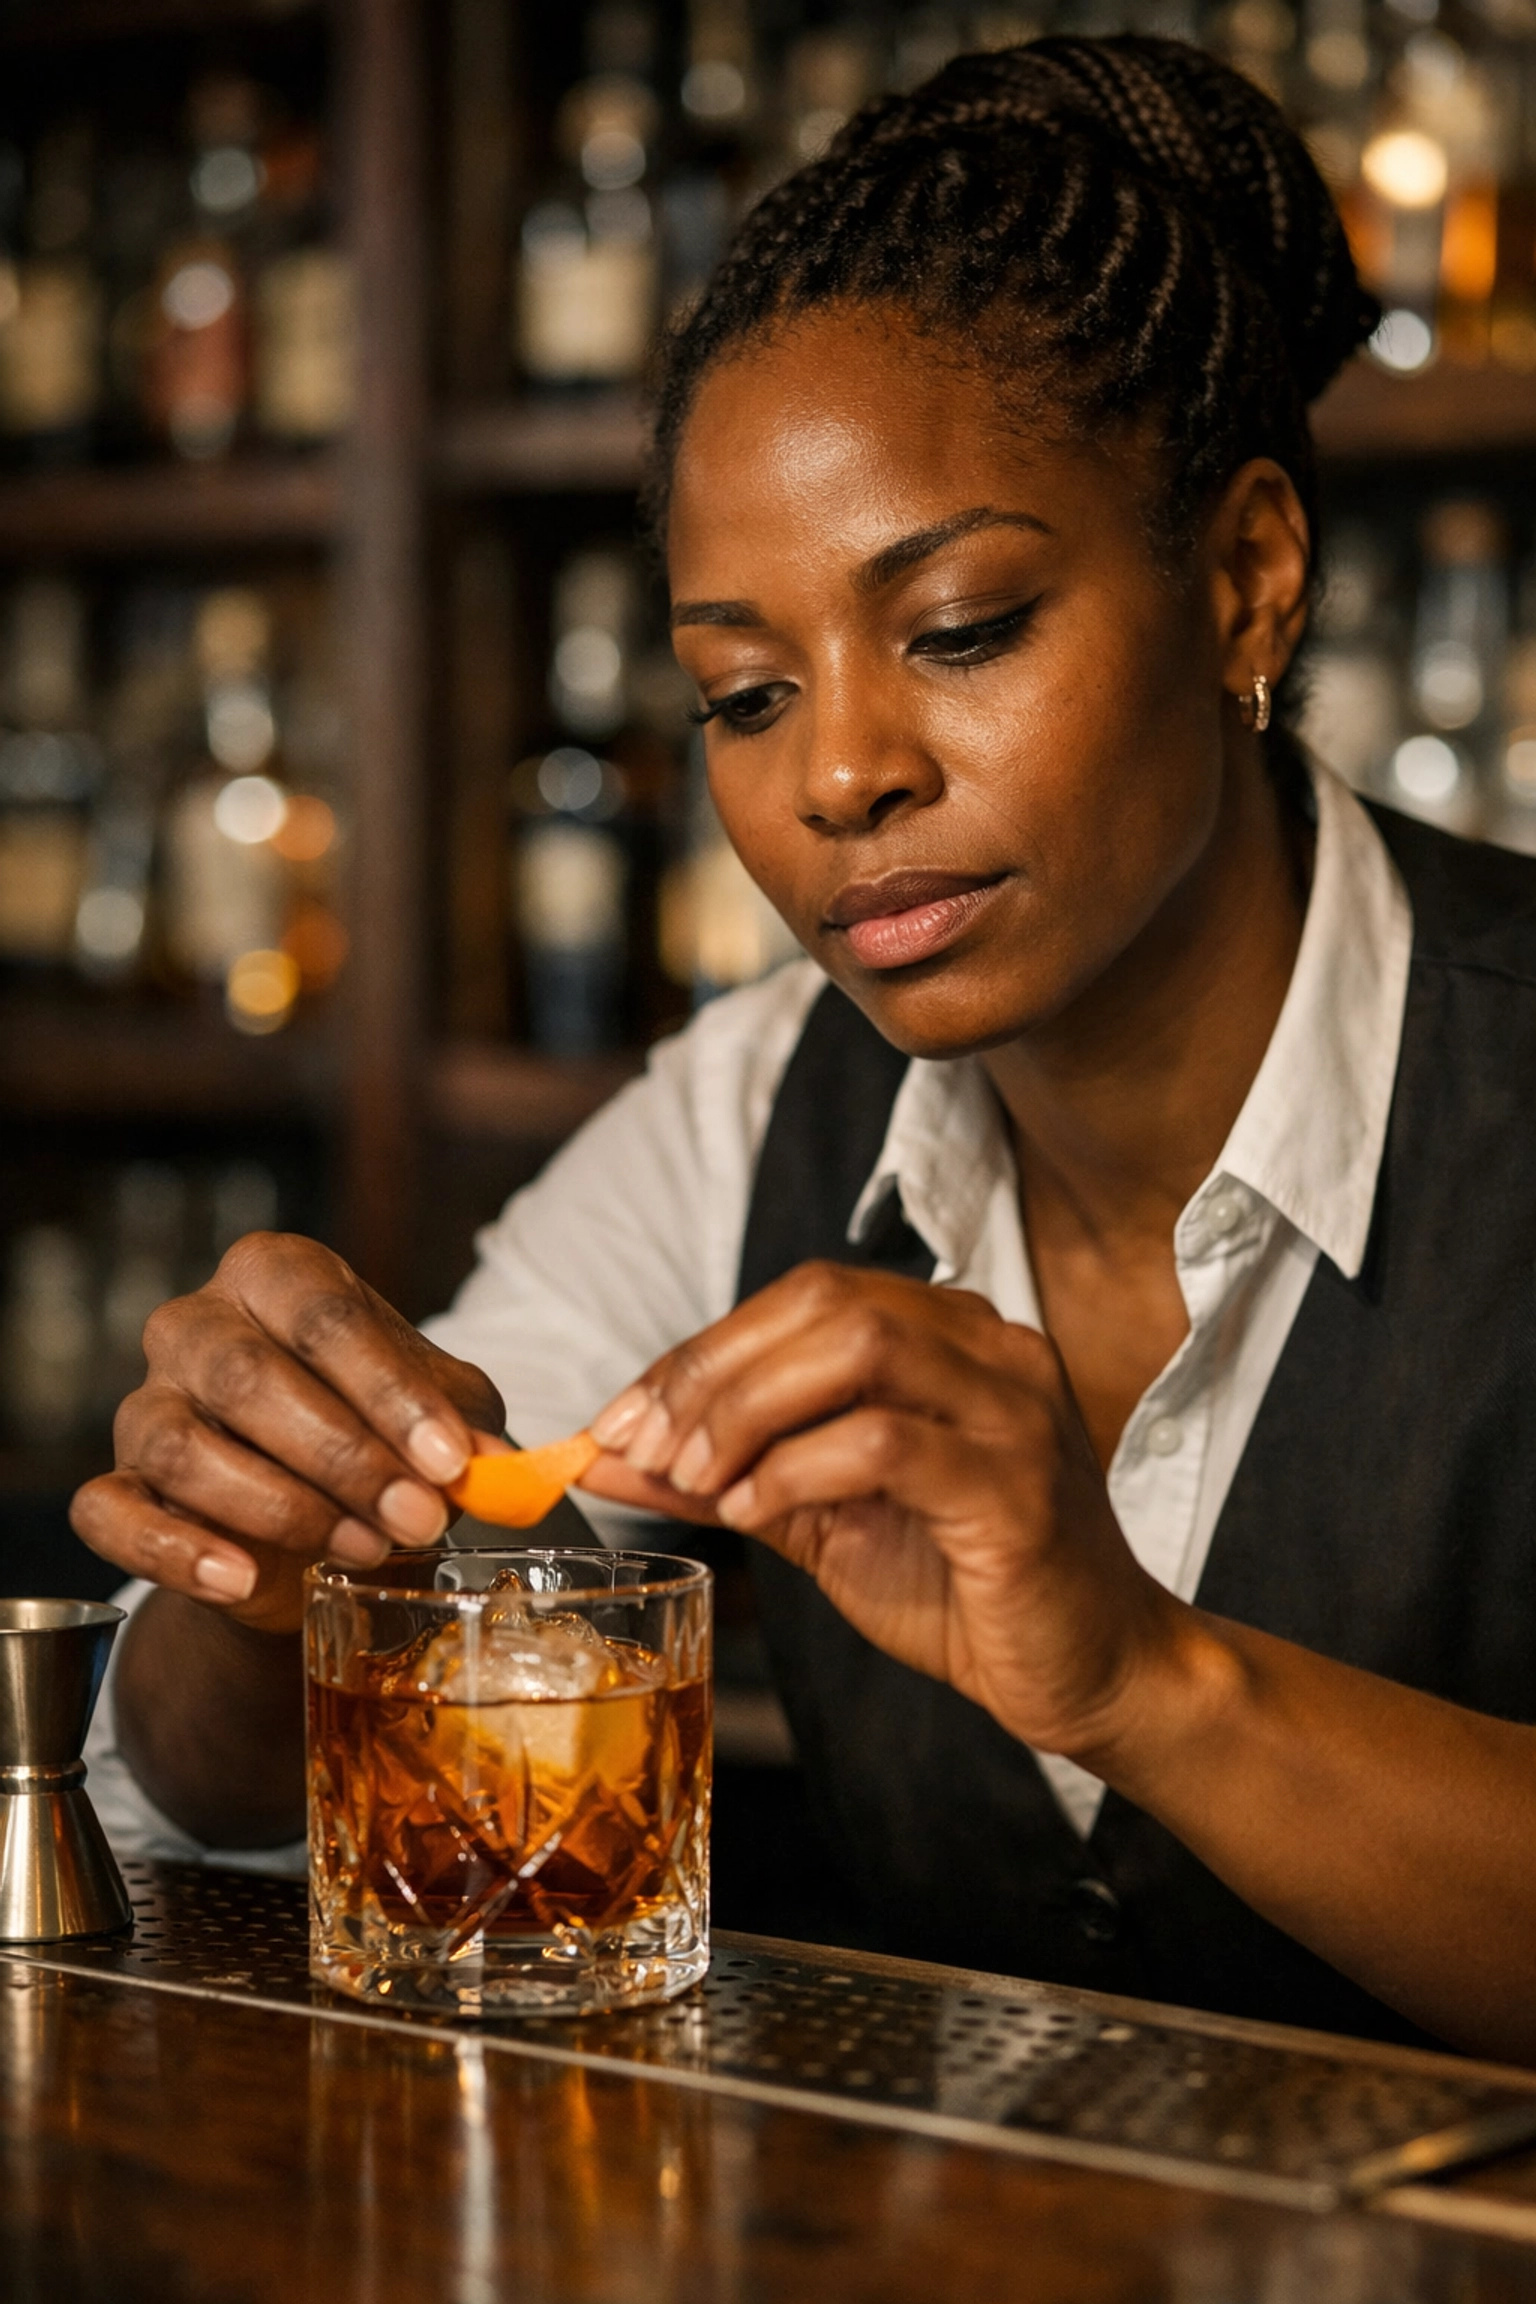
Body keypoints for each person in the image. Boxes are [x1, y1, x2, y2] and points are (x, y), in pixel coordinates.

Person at [73, 36, 1536, 2062]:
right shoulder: (754, 1109)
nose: (841, 774)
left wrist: (1140, 1675)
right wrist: (270, 1584)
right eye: (746, 695)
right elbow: (200, 1793)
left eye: (958, 631)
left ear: (1244, 581)